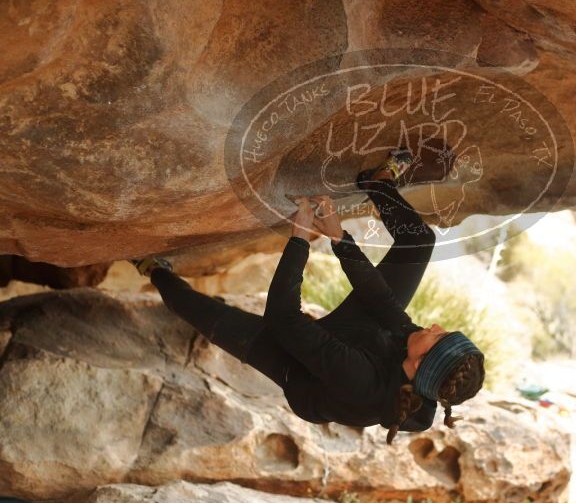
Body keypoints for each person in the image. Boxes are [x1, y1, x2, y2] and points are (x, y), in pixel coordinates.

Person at [131, 150, 485, 444]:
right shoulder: (421, 368)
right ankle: (378, 184)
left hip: (298, 366)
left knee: (200, 311)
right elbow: (382, 304)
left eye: (437, 336)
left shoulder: (359, 378)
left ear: (421, 366)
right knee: (419, 243)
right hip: (364, 338)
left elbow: (283, 317)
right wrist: (339, 237)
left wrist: (299, 237)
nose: (435, 326)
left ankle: (153, 269)